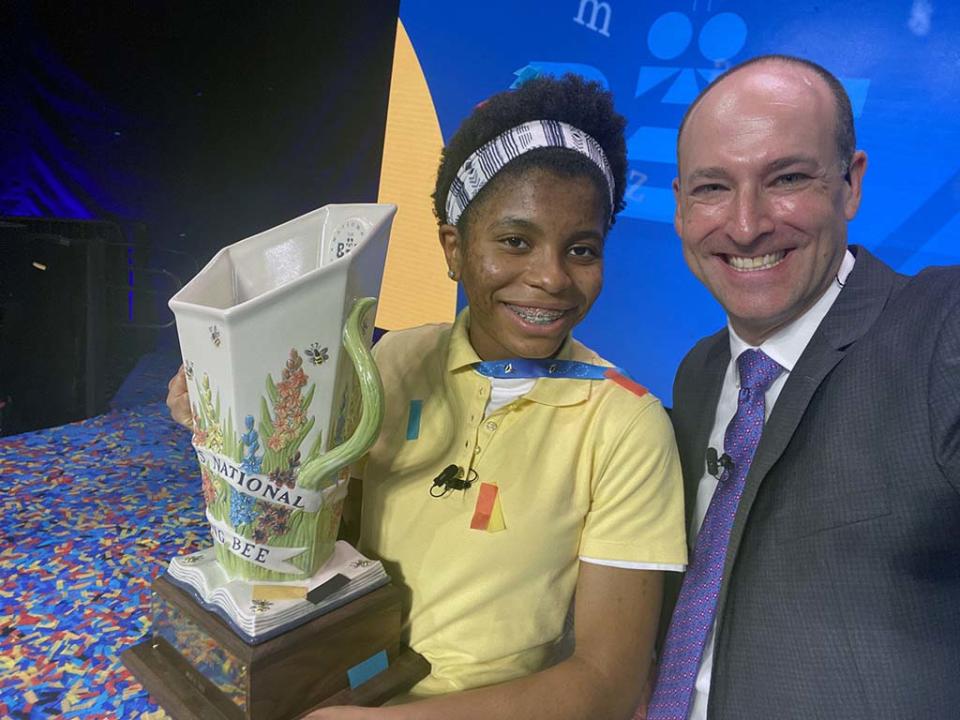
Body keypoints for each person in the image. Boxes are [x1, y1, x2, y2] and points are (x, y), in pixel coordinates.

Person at [168, 75, 688, 719]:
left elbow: (607, 685)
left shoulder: (625, 423)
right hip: (336, 686)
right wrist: (224, 408)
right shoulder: (390, 359)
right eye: (515, 242)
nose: (552, 277)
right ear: (453, 247)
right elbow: (317, 537)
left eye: (581, 249)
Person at [642, 55, 960, 720]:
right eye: (712, 189)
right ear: (678, 208)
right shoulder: (698, 374)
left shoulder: (941, 328)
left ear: (850, 184)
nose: (748, 223)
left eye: (786, 178)